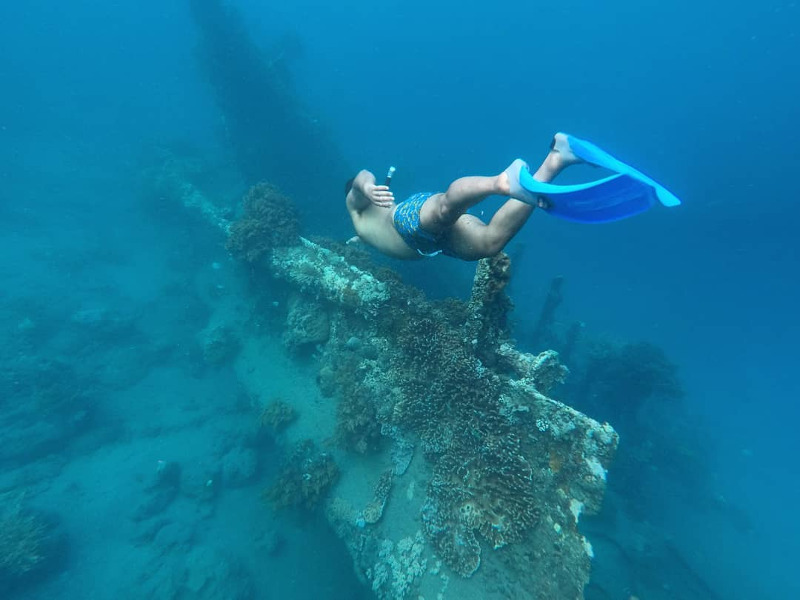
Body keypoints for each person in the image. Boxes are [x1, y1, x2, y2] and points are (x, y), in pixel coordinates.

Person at [344, 133, 581, 261]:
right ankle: (556, 159)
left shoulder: (356, 207)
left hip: (405, 223)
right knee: (489, 243)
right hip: (432, 244)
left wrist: (366, 188)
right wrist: (358, 240)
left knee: (444, 209)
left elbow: (361, 177)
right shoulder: (363, 229)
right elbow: (371, 236)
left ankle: (500, 182)